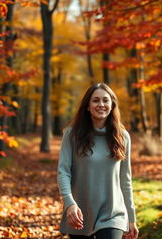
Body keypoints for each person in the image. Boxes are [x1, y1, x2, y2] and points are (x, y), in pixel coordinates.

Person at [57, 83, 138, 239]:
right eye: (95, 100)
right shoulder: (72, 134)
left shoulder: (122, 136)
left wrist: (131, 217)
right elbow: (63, 171)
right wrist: (69, 204)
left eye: (105, 100)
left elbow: (125, 180)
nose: (101, 104)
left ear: (112, 105)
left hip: (113, 214)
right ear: (87, 106)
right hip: (80, 213)